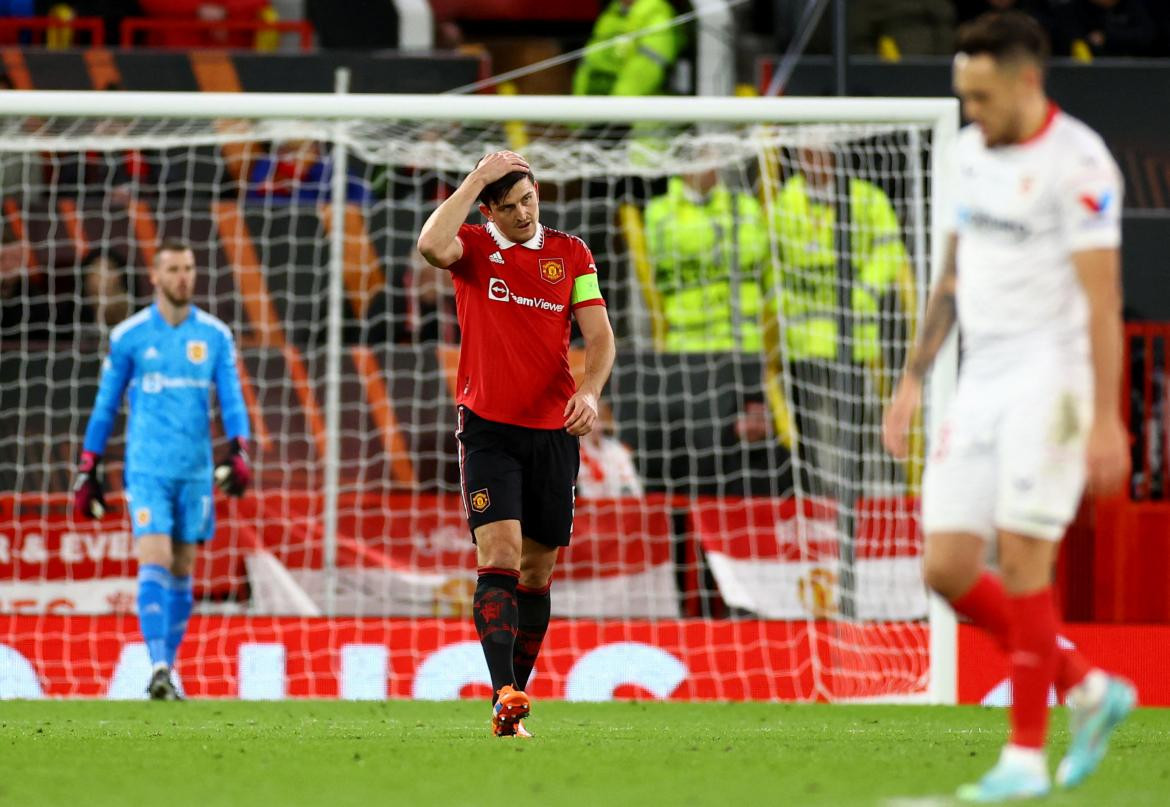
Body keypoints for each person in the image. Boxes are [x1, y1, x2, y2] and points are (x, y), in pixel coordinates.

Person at [882, 12, 1135, 801]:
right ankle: (1090, 688)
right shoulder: (968, 154)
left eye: (983, 97)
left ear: (1028, 80)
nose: (971, 114)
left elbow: (1104, 303)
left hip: (1051, 381)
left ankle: (1024, 759)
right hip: (981, 378)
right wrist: (915, 376)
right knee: (948, 567)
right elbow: (954, 274)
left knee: (1024, 560)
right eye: (963, 97)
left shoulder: (1080, 162)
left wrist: (1103, 415)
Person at [417, 151, 615, 737]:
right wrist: (476, 176)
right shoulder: (473, 248)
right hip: (489, 430)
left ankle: (513, 699)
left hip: (554, 431)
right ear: (490, 210)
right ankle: (504, 692)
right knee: (498, 556)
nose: (526, 213)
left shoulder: (571, 253)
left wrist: (592, 392)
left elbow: (600, 336)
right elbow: (431, 245)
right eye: (511, 206)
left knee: (537, 569)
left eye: (530, 199)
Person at [72, 239, 253, 701]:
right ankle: (155, 663)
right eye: (173, 269)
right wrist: (88, 465)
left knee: (183, 568)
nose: (183, 278)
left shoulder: (214, 335)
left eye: (189, 269)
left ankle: (166, 669)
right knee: (154, 558)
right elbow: (105, 404)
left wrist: (240, 449)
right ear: (155, 276)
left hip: (195, 473)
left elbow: (231, 398)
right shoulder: (130, 336)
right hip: (147, 470)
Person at [763, 142, 909, 495]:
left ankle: (855, 504)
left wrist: (866, 290)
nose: (813, 161)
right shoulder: (785, 203)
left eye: (821, 153)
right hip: (803, 342)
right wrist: (781, 305)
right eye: (805, 154)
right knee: (810, 436)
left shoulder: (866, 198)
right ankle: (815, 502)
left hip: (855, 342)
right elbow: (772, 266)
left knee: (856, 434)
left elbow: (890, 248)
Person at [642, 158, 769, 352]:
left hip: (743, 342)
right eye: (701, 158)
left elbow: (756, 252)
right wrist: (716, 240)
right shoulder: (660, 212)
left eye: (713, 158)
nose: (711, 166)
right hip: (686, 344)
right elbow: (667, 253)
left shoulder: (745, 206)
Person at [572, 0, 680, 97]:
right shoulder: (612, 12)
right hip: (595, 109)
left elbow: (646, 70)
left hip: (636, 113)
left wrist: (613, 108)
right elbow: (590, 61)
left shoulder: (657, 13)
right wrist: (580, 103)